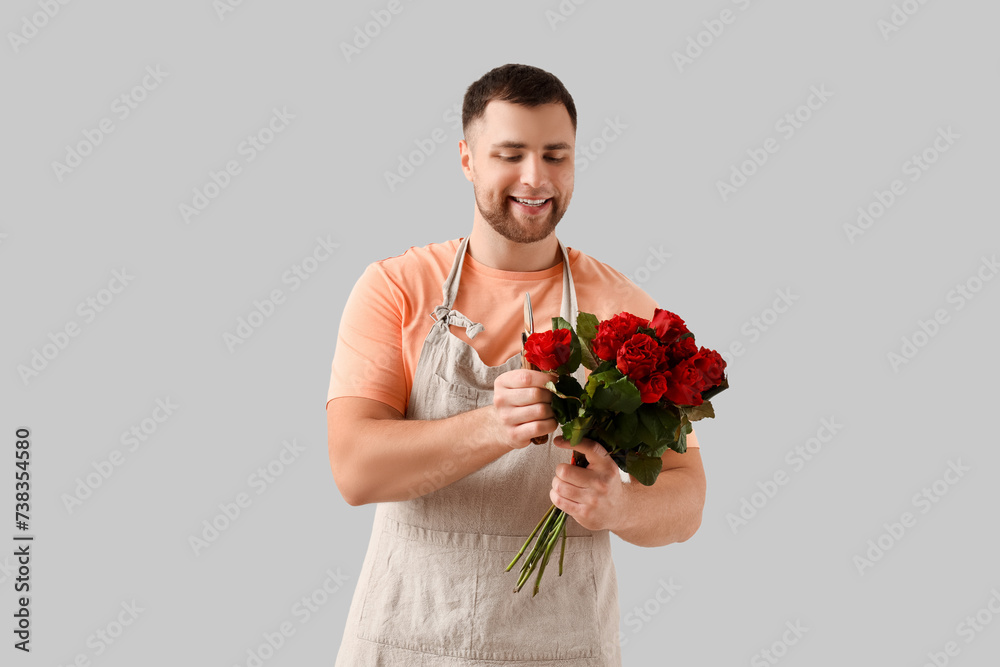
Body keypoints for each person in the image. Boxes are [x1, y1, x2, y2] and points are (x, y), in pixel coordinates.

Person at [326, 63, 706, 666]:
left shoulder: (625, 310)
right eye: (510, 153)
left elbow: (687, 500)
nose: (536, 178)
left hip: (563, 647)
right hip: (405, 640)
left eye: (556, 155)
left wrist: (621, 506)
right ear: (466, 158)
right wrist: (492, 428)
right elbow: (355, 470)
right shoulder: (396, 288)